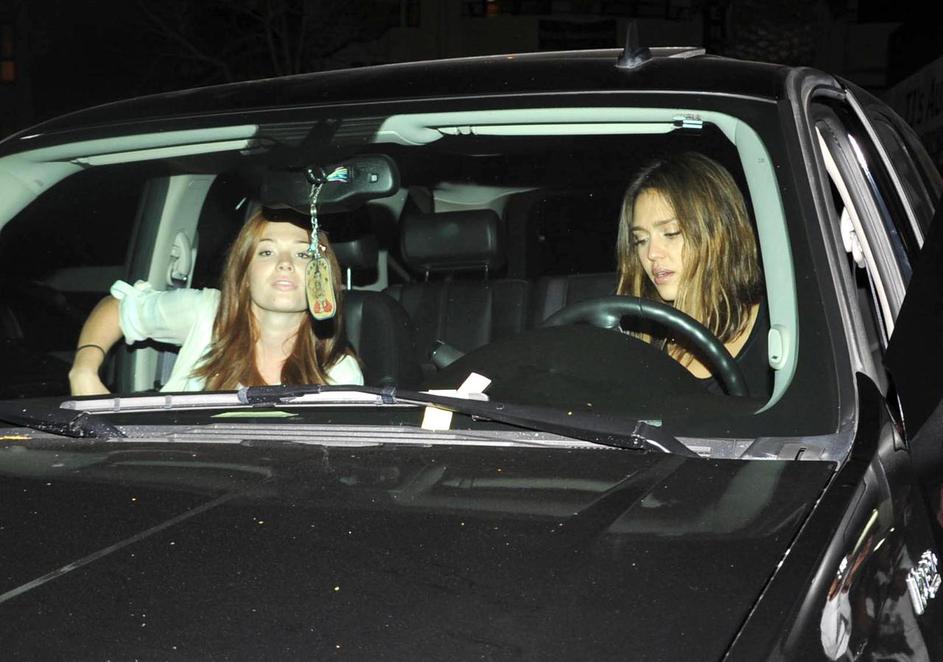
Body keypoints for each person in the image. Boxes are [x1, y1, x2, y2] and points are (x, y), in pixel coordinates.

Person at [69, 208, 363, 395]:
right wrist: (84, 370)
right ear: (244, 273)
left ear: (323, 276)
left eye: (302, 254)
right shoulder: (206, 313)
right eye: (266, 252)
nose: (285, 263)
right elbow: (117, 307)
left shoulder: (340, 371)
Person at [615, 151, 769, 395]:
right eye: (640, 240)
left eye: (671, 233)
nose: (652, 253)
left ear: (718, 234)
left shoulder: (778, 332)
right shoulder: (637, 332)